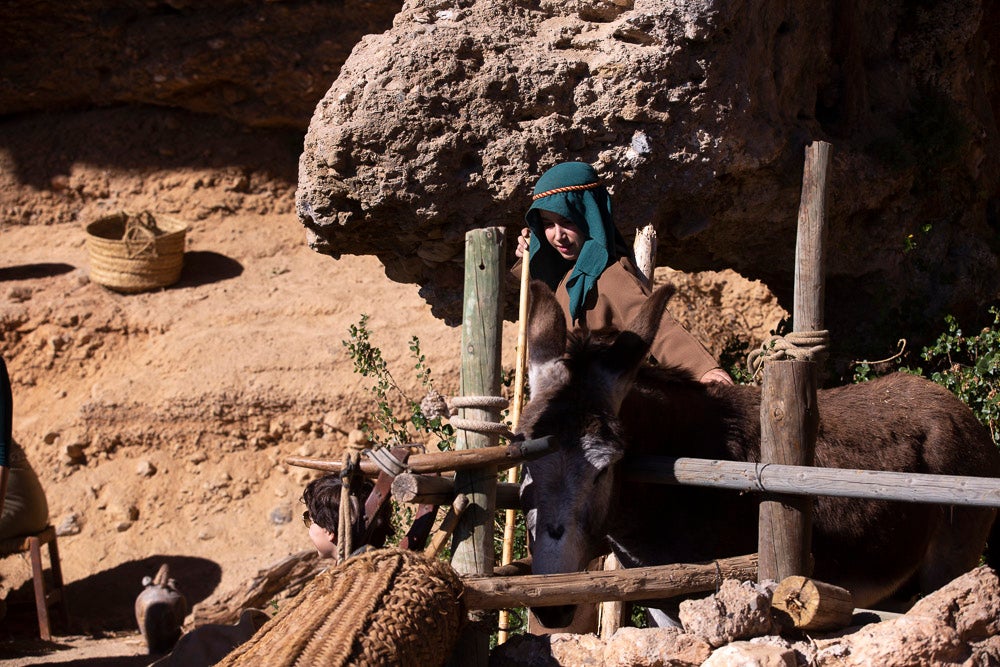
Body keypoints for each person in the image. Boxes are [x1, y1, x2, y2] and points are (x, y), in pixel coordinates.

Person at [515, 161, 733, 385]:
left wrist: (702, 370)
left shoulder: (611, 276)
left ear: (589, 217)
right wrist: (530, 254)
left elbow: (654, 324)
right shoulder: (569, 275)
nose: (557, 235)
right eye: (548, 225)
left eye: (567, 221)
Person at [301, 474, 392, 559]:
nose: (308, 526)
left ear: (328, 531)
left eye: (309, 520)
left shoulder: (351, 574)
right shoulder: (387, 560)